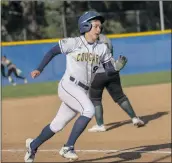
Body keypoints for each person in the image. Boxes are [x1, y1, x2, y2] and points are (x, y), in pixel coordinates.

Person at [24, 11, 127, 162]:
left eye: (100, 27)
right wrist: (39, 68)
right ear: (85, 26)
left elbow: (109, 70)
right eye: (96, 26)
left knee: (57, 125)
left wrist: (116, 67)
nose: (99, 29)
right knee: (89, 109)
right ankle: (68, 147)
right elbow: (52, 52)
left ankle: (32, 146)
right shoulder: (74, 42)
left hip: (82, 91)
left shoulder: (102, 48)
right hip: (69, 85)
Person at [88, 34, 145, 132]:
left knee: (96, 100)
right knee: (120, 97)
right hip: (112, 70)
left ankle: (100, 125)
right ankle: (135, 118)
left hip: (97, 74)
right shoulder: (105, 38)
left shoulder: (87, 40)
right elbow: (111, 52)